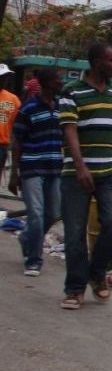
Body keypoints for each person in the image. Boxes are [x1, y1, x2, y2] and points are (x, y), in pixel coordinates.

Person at [58, 43, 112, 310]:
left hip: (110, 172)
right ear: (96, 62)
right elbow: (69, 130)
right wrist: (80, 166)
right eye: (111, 60)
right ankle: (74, 288)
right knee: (75, 232)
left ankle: (97, 273)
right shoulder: (71, 92)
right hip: (76, 174)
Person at [10, 68, 64, 276]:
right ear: (47, 82)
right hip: (31, 167)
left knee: (53, 214)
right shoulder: (29, 108)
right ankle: (33, 260)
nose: (61, 82)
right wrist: (14, 173)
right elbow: (17, 142)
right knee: (36, 214)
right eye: (58, 78)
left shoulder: (61, 107)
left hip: (54, 168)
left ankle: (26, 238)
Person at [0, 63, 22, 191]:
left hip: (2, 145)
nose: (4, 80)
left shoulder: (13, 99)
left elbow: (19, 123)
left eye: (6, 77)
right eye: (2, 77)